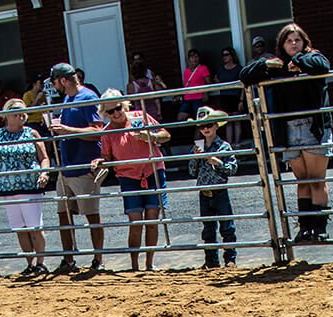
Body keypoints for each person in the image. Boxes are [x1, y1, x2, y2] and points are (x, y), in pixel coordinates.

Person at [241, 23, 332, 243]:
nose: (293, 44)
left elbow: (323, 66)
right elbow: (245, 75)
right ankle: (305, 227)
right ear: (282, 44)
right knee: (302, 180)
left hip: (313, 125)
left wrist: (298, 59)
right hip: (288, 127)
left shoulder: (312, 57)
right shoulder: (277, 64)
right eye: (289, 41)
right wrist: (264, 63)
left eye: (297, 40)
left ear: (304, 41)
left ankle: (320, 228)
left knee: (316, 179)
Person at [92, 89, 170, 272]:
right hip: (128, 177)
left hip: (152, 171)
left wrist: (151, 136)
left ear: (124, 105)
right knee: (135, 224)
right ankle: (134, 265)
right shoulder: (107, 132)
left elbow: (166, 135)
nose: (116, 113)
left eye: (118, 108)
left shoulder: (140, 117)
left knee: (152, 220)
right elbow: (107, 157)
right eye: (110, 111)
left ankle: (149, 263)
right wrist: (100, 162)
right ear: (105, 113)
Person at [47, 62, 104, 274]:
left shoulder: (88, 97)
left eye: (55, 82)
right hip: (66, 167)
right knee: (64, 214)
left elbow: (97, 131)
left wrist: (67, 130)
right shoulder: (67, 99)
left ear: (63, 80)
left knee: (91, 215)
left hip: (83, 165)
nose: (54, 86)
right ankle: (68, 258)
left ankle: (98, 259)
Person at [0, 98, 50, 277]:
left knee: (34, 226)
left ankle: (40, 262)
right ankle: (29, 262)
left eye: (23, 112)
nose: (21, 115)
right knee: (20, 228)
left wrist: (44, 173)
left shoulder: (32, 133)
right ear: (7, 114)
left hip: (30, 186)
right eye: (16, 112)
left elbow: (44, 158)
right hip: (8, 189)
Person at [187, 106, 238, 269]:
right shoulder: (197, 147)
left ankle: (230, 259)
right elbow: (191, 171)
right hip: (204, 191)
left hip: (219, 190)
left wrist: (219, 163)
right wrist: (195, 158)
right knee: (208, 228)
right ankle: (211, 260)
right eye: (202, 126)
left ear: (216, 125)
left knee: (226, 226)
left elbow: (233, 168)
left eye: (209, 125)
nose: (205, 129)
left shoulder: (224, 146)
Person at [178, 49, 211, 122]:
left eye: (196, 57)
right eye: (192, 57)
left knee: (199, 119)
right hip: (187, 98)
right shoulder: (186, 71)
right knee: (181, 117)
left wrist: (205, 93)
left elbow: (208, 83)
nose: (194, 59)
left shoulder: (203, 68)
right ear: (189, 59)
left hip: (199, 98)